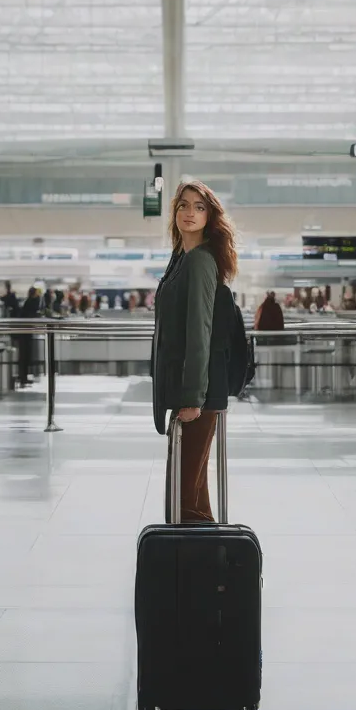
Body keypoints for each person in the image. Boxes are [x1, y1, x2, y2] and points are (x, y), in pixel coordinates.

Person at [152, 180, 238, 523]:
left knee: (186, 492)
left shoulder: (201, 261)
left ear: (209, 216)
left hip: (199, 395)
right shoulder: (180, 259)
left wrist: (193, 399)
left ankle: (203, 569)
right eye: (183, 205)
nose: (189, 213)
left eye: (199, 207)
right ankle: (208, 571)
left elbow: (200, 332)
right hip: (191, 390)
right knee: (191, 491)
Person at [16, 286, 43, 388]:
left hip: (25, 332)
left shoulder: (29, 302)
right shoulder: (32, 302)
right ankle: (23, 377)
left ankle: (23, 377)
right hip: (25, 333)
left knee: (25, 356)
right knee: (25, 355)